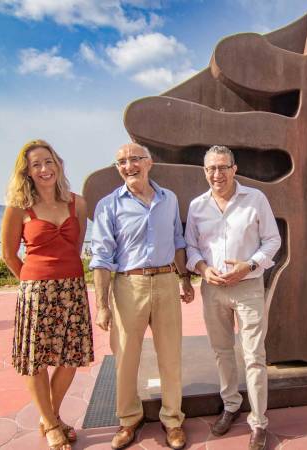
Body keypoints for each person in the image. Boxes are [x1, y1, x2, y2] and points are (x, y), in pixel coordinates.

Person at [90, 143, 194, 450]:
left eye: (134, 159)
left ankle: (173, 420)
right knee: (125, 358)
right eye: (121, 161)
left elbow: (177, 240)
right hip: (127, 286)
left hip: (165, 282)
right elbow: (100, 258)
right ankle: (128, 420)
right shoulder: (108, 206)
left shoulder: (169, 199)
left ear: (149, 163)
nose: (128, 165)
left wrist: (185, 279)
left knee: (171, 356)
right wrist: (102, 305)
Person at [184, 145, 281, 450]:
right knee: (222, 351)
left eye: (223, 167)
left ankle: (259, 421)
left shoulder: (256, 199)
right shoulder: (197, 206)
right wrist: (201, 268)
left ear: (234, 169)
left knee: (254, 356)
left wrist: (249, 265)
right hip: (212, 290)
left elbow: (273, 240)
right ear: (204, 171)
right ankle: (230, 405)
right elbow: (191, 248)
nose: (217, 174)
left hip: (248, 287)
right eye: (211, 168)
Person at [1, 139, 94, 450]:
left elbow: (76, 247)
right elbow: (9, 255)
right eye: (36, 164)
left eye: (48, 162)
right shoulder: (18, 207)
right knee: (36, 360)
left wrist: (63, 277)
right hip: (36, 291)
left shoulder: (77, 203)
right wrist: (32, 283)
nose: (44, 169)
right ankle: (52, 423)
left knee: (71, 358)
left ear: (58, 165)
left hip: (72, 288)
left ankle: (49, 416)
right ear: (27, 171)